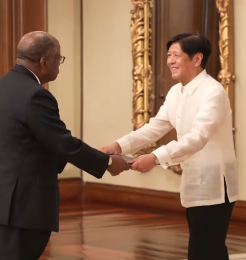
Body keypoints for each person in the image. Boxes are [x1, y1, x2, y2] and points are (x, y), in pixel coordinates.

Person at [0, 31, 130, 260]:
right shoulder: (36, 95)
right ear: (44, 62)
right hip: (19, 209)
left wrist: (94, 155)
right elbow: (62, 142)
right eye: (59, 59)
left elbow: (34, 143)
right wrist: (108, 163)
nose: (59, 66)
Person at [100, 33, 238, 260]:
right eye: (169, 56)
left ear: (197, 59)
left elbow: (198, 137)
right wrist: (118, 146)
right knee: (205, 248)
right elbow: (155, 127)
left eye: (176, 55)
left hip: (215, 183)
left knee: (206, 248)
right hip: (193, 180)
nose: (170, 61)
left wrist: (154, 158)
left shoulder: (213, 92)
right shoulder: (177, 92)